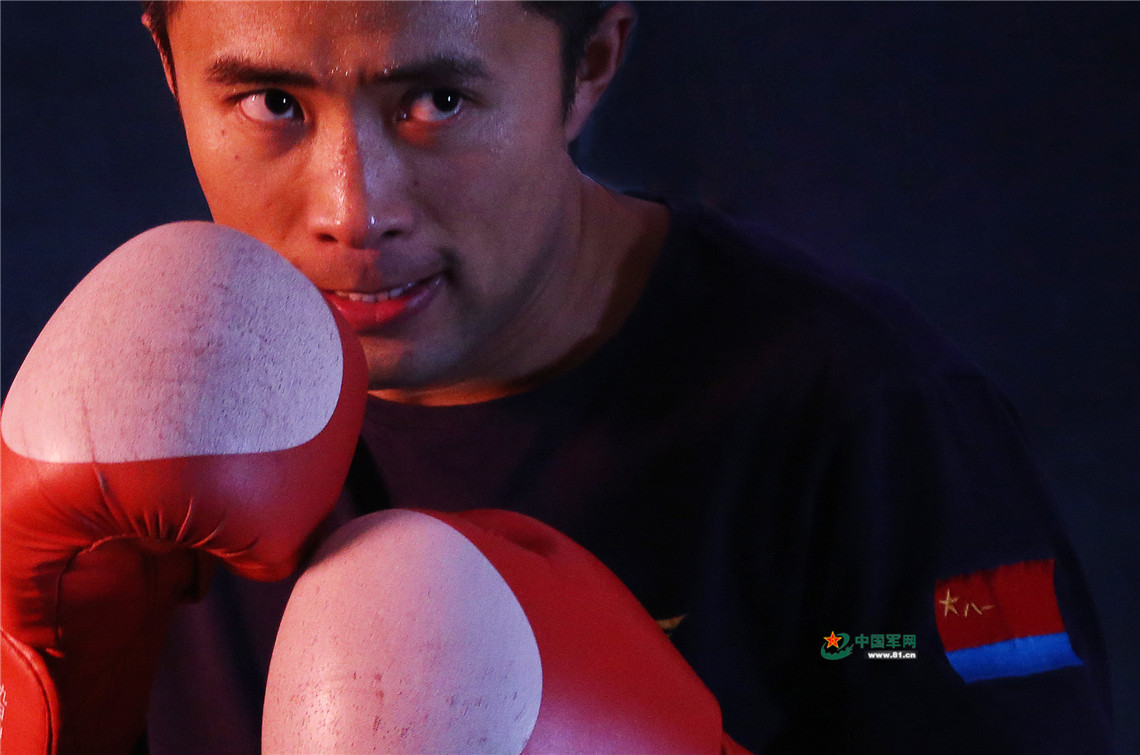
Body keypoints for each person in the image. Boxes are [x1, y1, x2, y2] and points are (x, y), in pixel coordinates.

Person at [6, 2, 1113, 752]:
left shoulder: (882, 419)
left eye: (436, 101)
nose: (354, 210)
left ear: (589, 67)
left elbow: (952, 652)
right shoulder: (113, 417)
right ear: (170, 69)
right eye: (272, 103)